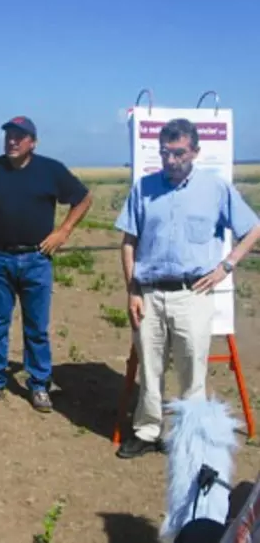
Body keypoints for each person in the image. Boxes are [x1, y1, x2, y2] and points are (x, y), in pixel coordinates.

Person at [114, 118, 260, 459]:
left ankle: (190, 436)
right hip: (148, 293)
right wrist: (132, 289)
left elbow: (252, 229)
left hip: (192, 295)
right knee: (150, 367)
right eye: (164, 152)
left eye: (178, 152)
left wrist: (227, 265)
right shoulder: (144, 188)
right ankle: (147, 431)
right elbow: (128, 241)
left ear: (195, 151)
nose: (170, 159)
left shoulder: (216, 189)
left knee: (192, 368)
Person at [0, 116, 92, 412]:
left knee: (36, 327)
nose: (12, 141)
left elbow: (83, 198)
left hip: (37, 259)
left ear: (33, 141)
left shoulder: (50, 170)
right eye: (8, 136)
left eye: (19, 136)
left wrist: (64, 231)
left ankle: (39, 384)